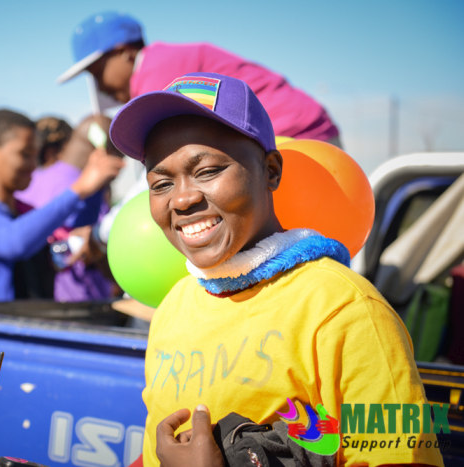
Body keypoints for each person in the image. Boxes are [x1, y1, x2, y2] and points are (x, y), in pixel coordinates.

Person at [108, 72, 443, 466]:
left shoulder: (346, 309)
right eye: (161, 183)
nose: (182, 199)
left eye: (207, 171)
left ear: (271, 171)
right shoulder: (174, 308)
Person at [58, 11, 340, 145]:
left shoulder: (155, 71)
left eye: (97, 73)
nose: (99, 85)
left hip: (296, 137)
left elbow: (169, 158)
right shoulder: (166, 60)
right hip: (297, 135)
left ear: (125, 53)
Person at [0, 108, 123, 302]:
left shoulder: (24, 211)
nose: (32, 165)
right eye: (24, 154)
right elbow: (14, 242)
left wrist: (75, 245)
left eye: (34, 155)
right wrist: (80, 189)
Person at [15, 115, 118, 302]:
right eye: (120, 152)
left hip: (39, 299)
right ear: (100, 145)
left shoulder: (30, 180)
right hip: (81, 300)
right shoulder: (87, 186)